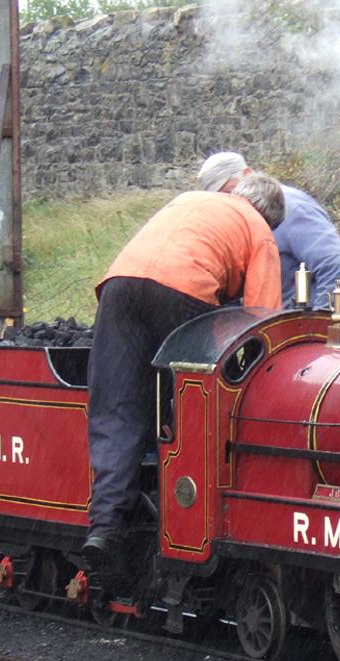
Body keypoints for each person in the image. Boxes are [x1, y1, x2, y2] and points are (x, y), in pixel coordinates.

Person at [82, 172, 285, 579]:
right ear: (269, 215)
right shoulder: (259, 229)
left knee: (118, 406)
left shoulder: (191, 200)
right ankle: (184, 519)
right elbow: (263, 318)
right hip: (184, 290)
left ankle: (106, 527)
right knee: (193, 409)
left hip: (121, 286)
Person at [197, 151, 340, 310]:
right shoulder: (232, 218)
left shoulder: (293, 208)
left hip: (305, 324)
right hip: (274, 323)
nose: (230, 202)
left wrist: (323, 321)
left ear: (248, 174)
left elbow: (336, 265)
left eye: (229, 192)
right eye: (221, 198)